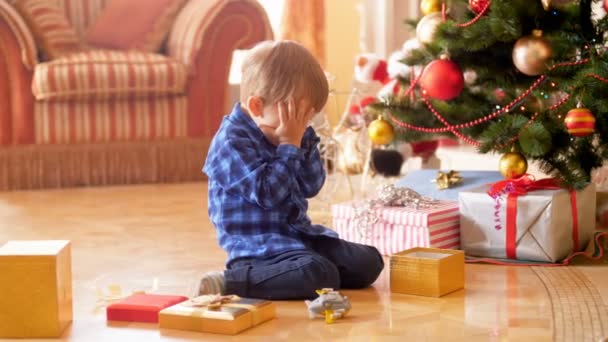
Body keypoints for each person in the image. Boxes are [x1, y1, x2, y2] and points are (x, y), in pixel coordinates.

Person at [200, 40, 384, 300]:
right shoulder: (230, 142)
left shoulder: (293, 132)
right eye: (294, 115)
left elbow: (311, 186)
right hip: (258, 251)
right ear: (256, 106)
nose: (301, 125)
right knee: (318, 275)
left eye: (307, 117)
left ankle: (301, 270)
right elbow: (267, 194)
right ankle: (231, 282)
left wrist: (301, 143)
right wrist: (289, 146)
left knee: (369, 262)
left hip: (297, 237)